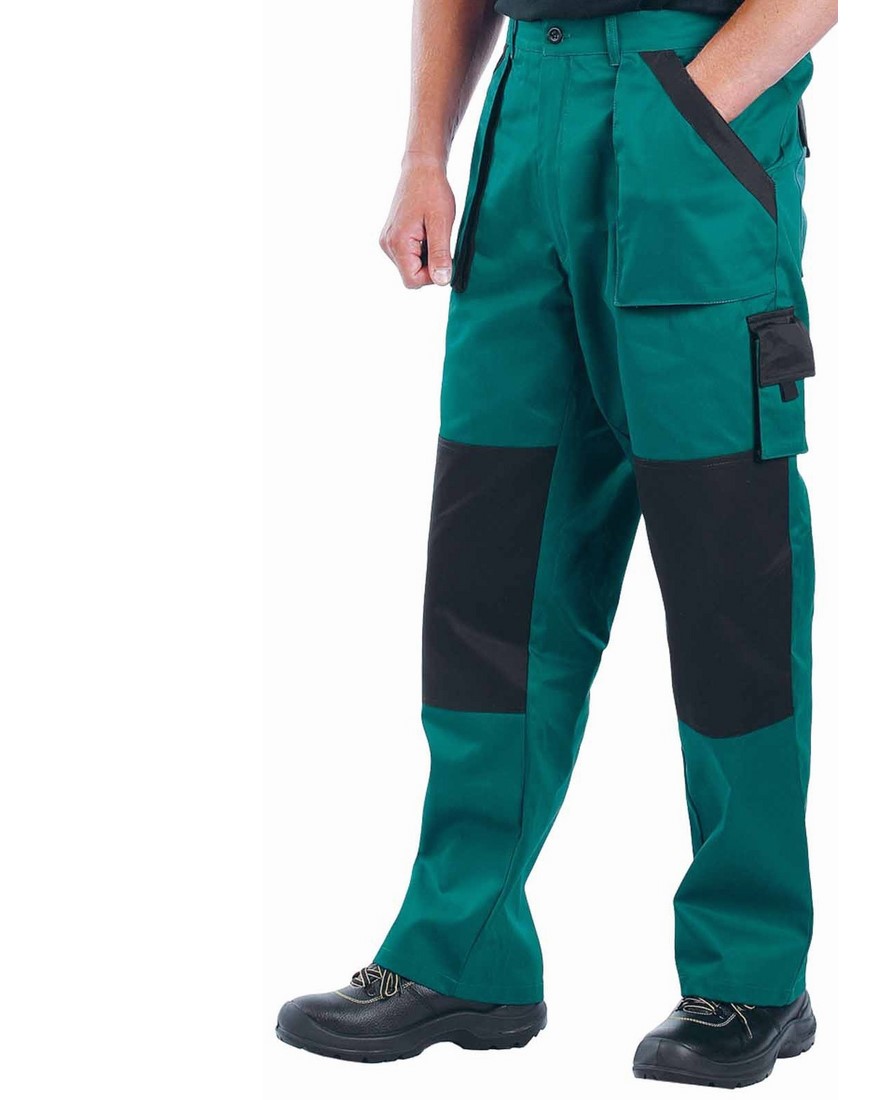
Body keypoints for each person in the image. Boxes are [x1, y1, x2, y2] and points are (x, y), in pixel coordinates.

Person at [277, 0, 837, 1089]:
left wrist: (682, 116)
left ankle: (753, 970)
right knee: (492, 570)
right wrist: (424, 151)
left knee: (729, 581)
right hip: (525, 116)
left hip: (690, 97)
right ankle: (463, 950)